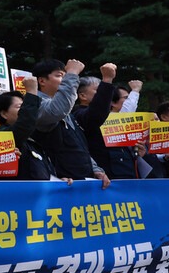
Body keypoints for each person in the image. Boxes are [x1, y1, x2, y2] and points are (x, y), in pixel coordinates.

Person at [31, 59, 110, 187]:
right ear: (41, 81)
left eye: (65, 75)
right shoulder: (36, 105)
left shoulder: (68, 113)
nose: (66, 79)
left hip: (80, 182)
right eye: (59, 75)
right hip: (61, 185)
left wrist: (95, 169)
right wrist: (72, 72)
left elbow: (78, 145)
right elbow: (57, 110)